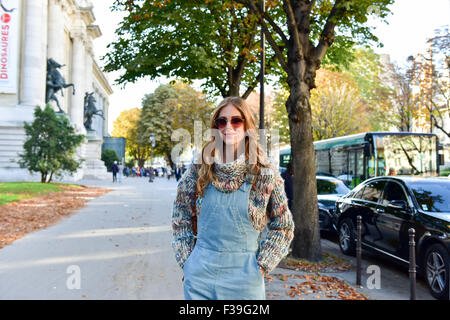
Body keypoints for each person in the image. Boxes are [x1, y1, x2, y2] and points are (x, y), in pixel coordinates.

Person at [171, 96, 294, 300]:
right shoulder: (199, 170)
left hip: (245, 281)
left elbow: (283, 226)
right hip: (200, 278)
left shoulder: (264, 173)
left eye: (236, 120)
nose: (228, 126)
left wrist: (262, 266)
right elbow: (180, 217)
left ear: (247, 126)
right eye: (222, 121)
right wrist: (187, 261)